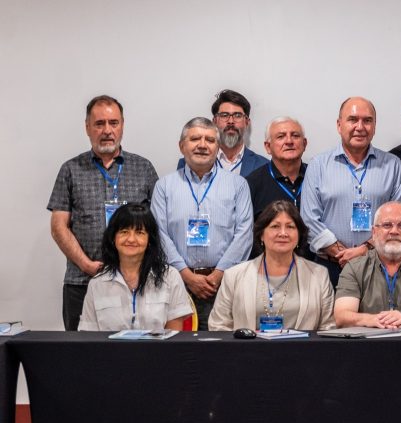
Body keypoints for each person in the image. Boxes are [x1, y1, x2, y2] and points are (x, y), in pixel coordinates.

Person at [48, 95, 159, 331]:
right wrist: (87, 265)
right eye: (99, 124)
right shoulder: (70, 170)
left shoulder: (144, 168)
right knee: (81, 357)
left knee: (134, 355)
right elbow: (59, 226)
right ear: (87, 127)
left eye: (113, 123)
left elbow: (155, 225)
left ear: (122, 126)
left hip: (135, 283)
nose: (107, 130)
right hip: (82, 281)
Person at [151, 117, 254, 329]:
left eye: (210, 140)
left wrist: (219, 275)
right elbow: (159, 233)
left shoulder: (237, 185)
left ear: (218, 147)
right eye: (195, 138)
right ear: (182, 146)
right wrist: (185, 275)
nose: (202, 145)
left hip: (224, 285)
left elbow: (244, 233)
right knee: (178, 352)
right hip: (176, 284)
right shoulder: (164, 186)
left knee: (221, 351)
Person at [301, 97, 401, 286]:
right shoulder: (318, 165)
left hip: (379, 266)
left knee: (378, 316)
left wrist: (365, 250)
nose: (360, 127)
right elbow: (309, 218)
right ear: (339, 124)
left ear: (374, 126)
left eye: (367, 120)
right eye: (352, 119)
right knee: (329, 317)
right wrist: (340, 252)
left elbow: (399, 221)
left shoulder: (393, 165)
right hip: (329, 267)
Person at [209, 201, 334, 331]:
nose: (283, 233)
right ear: (261, 235)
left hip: (302, 351)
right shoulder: (233, 276)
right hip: (248, 351)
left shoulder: (319, 275)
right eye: (275, 226)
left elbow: (328, 327)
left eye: (290, 227)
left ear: (299, 235)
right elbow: (218, 325)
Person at [79, 203, 192, 331]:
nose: (131, 239)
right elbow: (90, 338)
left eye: (139, 232)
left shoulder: (171, 277)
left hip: (158, 351)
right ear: (113, 238)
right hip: (110, 351)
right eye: (124, 232)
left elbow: (173, 337)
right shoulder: (97, 284)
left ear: (150, 239)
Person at [334, 202, 401, 330]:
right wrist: (373, 319)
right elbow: (341, 317)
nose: (394, 231)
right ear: (374, 233)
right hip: (367, 346)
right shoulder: (354, 268)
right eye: (387, 225)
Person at [177, 89, 268, 176]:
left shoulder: (264, 166)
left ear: (247, 122)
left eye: (237, 115)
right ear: (214, 122)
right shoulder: (188, 163)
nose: (231, 121)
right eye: (224, 115)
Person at [245, 117, 308, 217]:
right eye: (281, 136)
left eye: (295, 136)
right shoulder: (252, 184)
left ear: (304, 144)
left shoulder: (317, 176)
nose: (289, 141)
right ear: (268, 147)